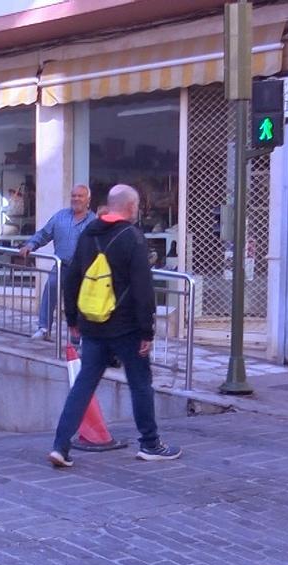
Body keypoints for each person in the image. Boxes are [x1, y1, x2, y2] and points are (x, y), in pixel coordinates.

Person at [47, 184, 181, 468]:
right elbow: (144, 288)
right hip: (127, 328)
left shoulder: (88, 234)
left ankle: (60, 445)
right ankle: (150, 443)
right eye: (137, 206)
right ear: (131, 207)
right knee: (140, 383)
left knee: (84, 384)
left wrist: (73, 320)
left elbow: (72, 278)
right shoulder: (131, 237)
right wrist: (147, 330)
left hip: (93, 325)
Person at [18, 184, 97, 341]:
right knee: (50, 290)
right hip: (62, 266)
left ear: (88, 200)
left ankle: (78, 337)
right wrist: (30, 245)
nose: (76, 199)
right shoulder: (60, 216)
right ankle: (44, 328)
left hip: (84, 271)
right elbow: (44, 234)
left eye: (80, 196)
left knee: (79, 303)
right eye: (73, 195)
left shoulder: (94, 221)